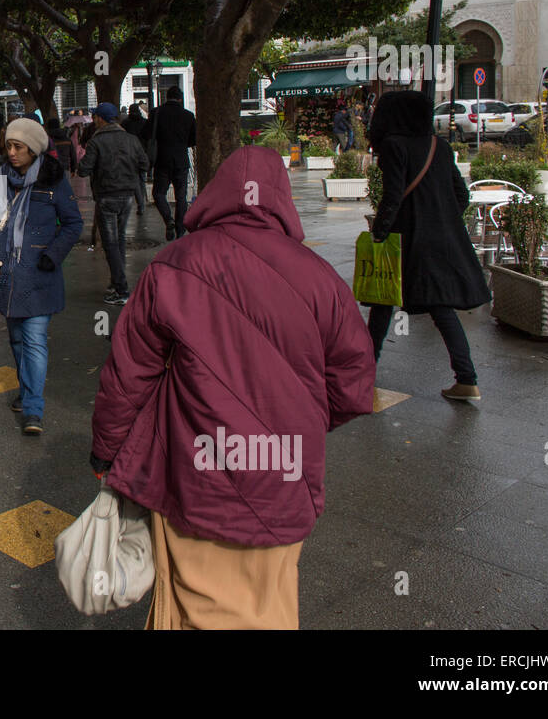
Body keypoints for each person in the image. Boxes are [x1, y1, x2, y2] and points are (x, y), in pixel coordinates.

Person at [90, 146, 375, 629]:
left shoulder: (173, 264)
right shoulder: (319, 277)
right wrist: (297, 416)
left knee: (193, 606)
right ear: (281, 199)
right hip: (286, 479)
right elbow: (353, 388)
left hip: (195, 479)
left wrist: (106, 452)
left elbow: (128, 375)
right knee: (271, 604)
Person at [368, 91, 489, 400]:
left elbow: (392, 198)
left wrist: (378, 234)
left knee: (382, 305)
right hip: (440, 241)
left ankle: (364, 373)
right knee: (441, 308)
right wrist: (440, 218)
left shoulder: (394, 146)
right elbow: (461, 195)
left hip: (405, 240)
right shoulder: (441, 146)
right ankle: (467, 379)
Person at [0, 118, 83, 434]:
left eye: (18, 146)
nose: (11, 152)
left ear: (34, 149)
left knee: (34, 340)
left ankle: (33, 409)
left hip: (40, 275)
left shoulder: (53, 180)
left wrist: (52, 255)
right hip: (6, 276)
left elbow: (73, 224)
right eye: (8, 145)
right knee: (17, 340)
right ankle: (26, 391)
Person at [77, 103, 149, 305]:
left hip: (107, 195)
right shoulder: (131, 140)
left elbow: (84, 169)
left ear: (100, 118)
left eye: (95, 117)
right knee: (119, 240)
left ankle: (121, 289)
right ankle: (116, 282)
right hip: (127, 196)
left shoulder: (96, 141)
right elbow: (144, 163)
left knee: (111, 244)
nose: (93, 120)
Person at [147, 86, 196, 241]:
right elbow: (193, 140)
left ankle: (168, 219)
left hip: (162, 159)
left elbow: (146, 134)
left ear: (166, 97)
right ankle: (180, 230)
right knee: (181, 196)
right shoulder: (188, 115)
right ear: (180, 99)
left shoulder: (157, 113)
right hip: (181, 160)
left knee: (158, 193)